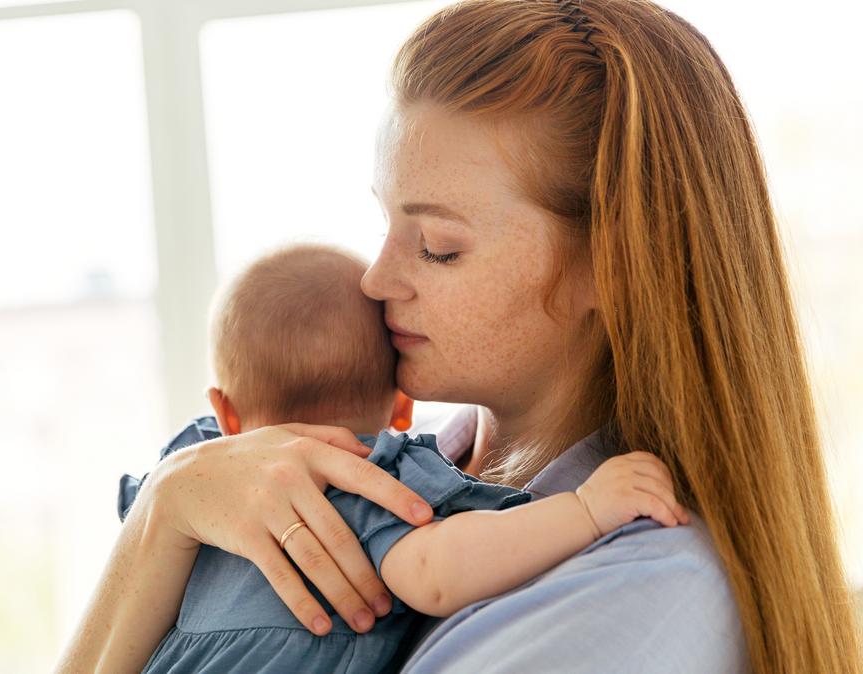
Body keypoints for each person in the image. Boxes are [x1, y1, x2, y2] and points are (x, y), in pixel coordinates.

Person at [57, 1, 861, 672]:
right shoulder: (393, 466)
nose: (375, 280)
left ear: (613, 267)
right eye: (385, 222)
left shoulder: (635, 590)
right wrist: (165, 510)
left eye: (438, 246)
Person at [115, 243, 688, 672]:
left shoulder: (193, 467)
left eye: (439, 249)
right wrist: (585, 509)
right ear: (402, 406)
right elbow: (437, 575)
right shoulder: (369, 483)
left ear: (225, 412)